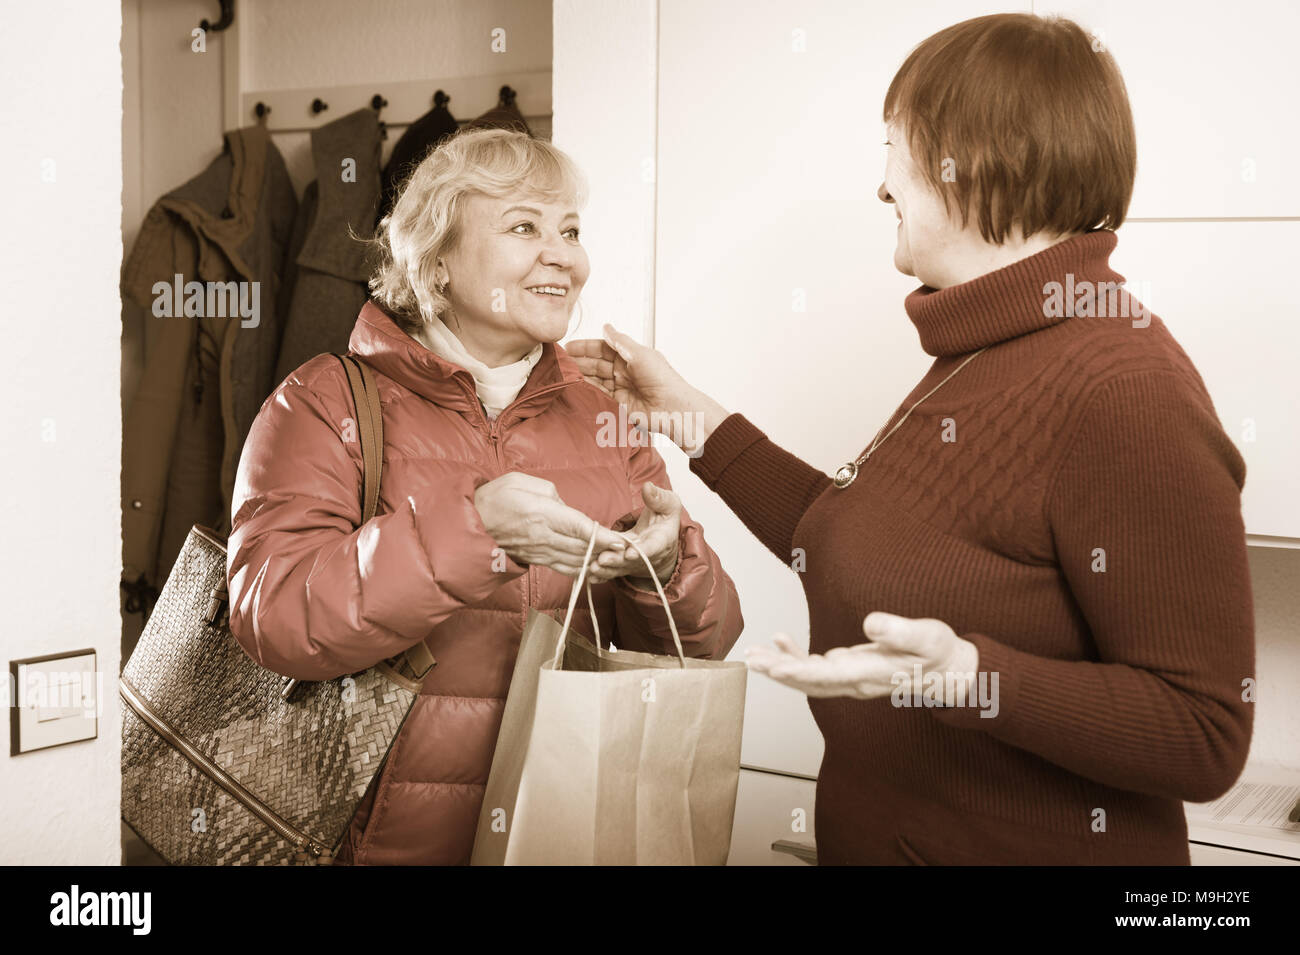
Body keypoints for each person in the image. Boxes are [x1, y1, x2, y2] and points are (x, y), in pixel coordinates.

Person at [571, 13, 1254, 865]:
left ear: (976, 160)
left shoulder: (1123, 388)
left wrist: (966, 675)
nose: (882, 187)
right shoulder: (986, 345)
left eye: (892, 146)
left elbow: (1203, 729)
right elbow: (849, 538)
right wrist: (687, 418)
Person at [225, 127, 744, 865]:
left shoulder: (605, 415)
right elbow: (273, 617)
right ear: (435, 262)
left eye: (570, 229)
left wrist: (667, 565)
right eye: (524, 227)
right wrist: (478, 532)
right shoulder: (323, 401)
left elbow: (705, 642)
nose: (564, 254)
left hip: (560, 832)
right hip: (381, 844)